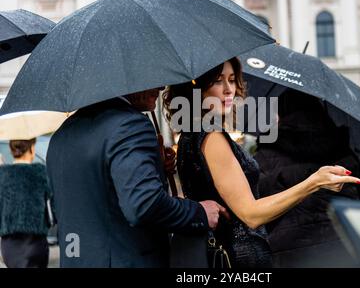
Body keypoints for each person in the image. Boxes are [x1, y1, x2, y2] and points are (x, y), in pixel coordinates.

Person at [163, 58, 360, 268]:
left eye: (232, 80)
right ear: (198, 87)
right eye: (218, 81)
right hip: (234, 259)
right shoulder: (211, 137)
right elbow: (251, 214)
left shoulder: (191, 134)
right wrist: (314, 182)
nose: (228, 89)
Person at [46, 89, 227, 268]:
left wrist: (155, 168)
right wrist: (199, 212)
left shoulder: (62, 135)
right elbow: (144, 204)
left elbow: (87, 201)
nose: (162, 87)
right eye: (154, 76)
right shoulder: (129, 125)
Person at [254, 89, 360, 267]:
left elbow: (257, 207)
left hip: (286, 254)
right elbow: (356, 198)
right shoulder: (342, 149)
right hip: (341, 249)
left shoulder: (266, 155)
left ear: (282, 112)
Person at [0, 138, 52, 268]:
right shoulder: (40, 172)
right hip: (35, 242)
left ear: (12, 150)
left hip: (9, 245)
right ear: (32, 148)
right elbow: (52, 201)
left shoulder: (2, 175)